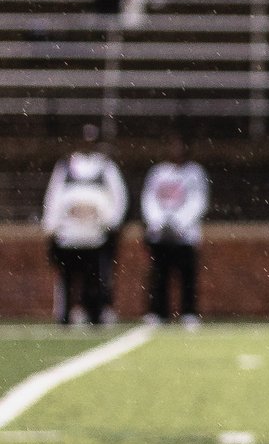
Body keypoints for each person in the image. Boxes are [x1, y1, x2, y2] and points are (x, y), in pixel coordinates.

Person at [43, 127, 125, 326]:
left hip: (95, 236)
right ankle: (65, 314)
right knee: (67, 279)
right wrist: (51, 226)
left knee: (95, 280)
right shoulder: (65, 166)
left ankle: (95, 313)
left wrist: (110, 222)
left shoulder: (106, 167)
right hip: (69, 236)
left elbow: (119, 196)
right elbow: (53, 196)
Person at [141, 141, 209, 327]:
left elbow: (198, 201)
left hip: (185, 235)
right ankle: (158, 311)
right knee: (159, 275)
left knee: (187, 276)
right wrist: (159, 222)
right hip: (161, 234)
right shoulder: (158, 172)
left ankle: (188, 312)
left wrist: (179, 222)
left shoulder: (195, 172)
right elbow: (149, 199)